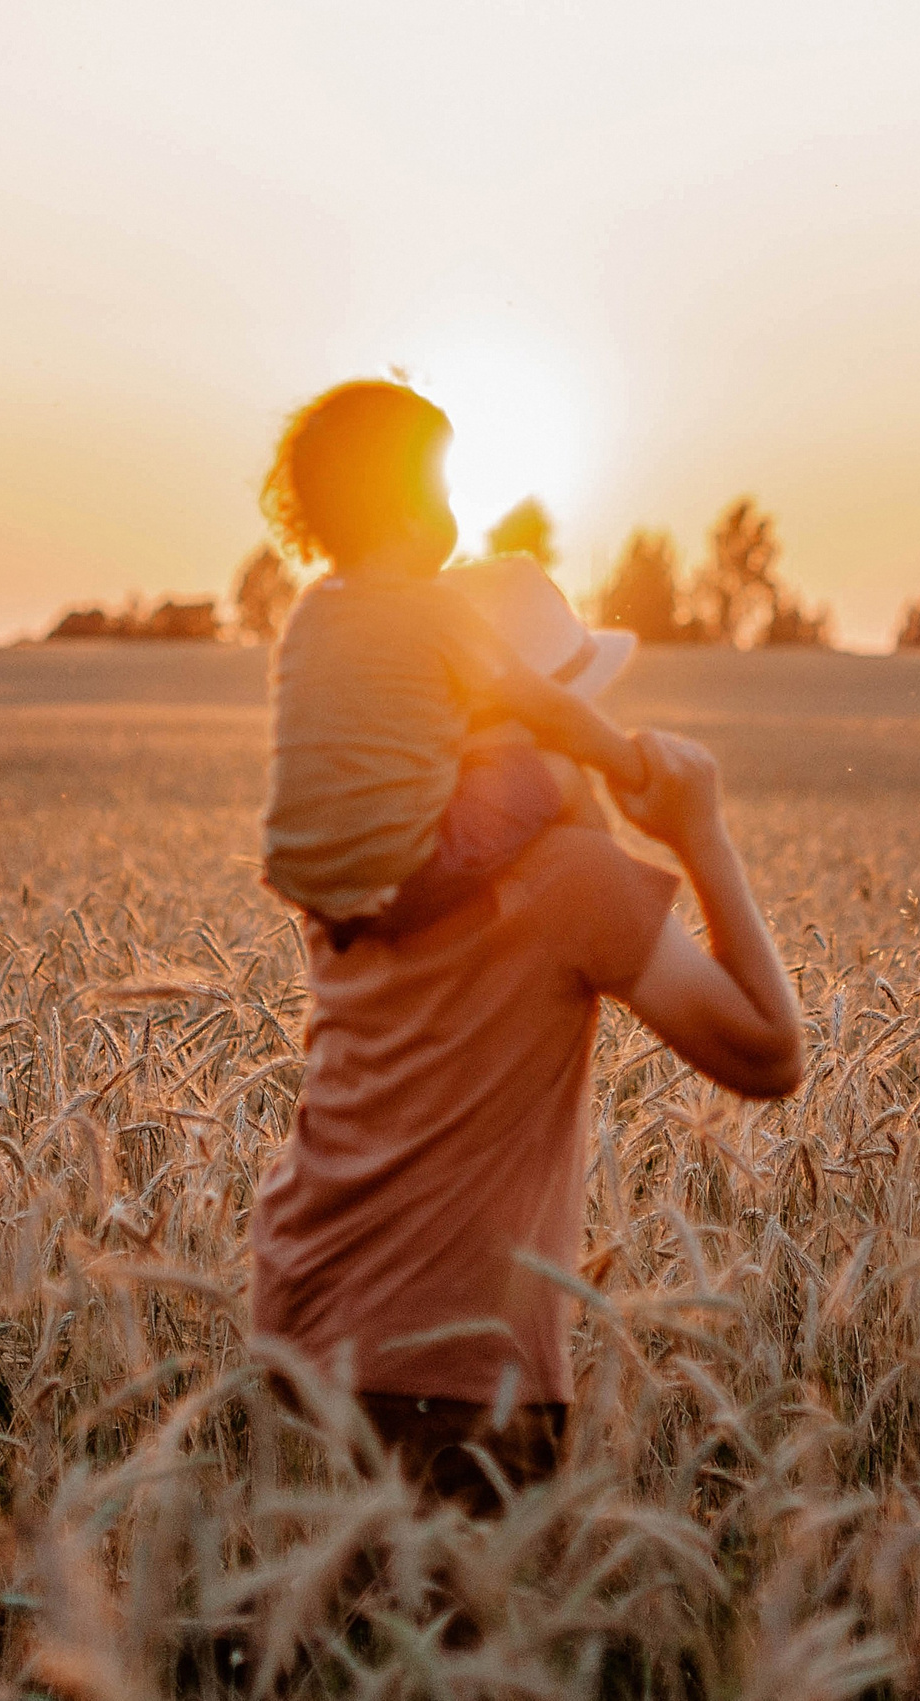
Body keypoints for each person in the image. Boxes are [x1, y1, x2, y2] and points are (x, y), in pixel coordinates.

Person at [250, 718, 804, 1514]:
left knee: (327, 1629)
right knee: (462, 1631)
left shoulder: (355, 867)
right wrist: (701, 834)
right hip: (454, 1363)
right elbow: (769, 1055)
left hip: (299, 1310)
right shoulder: (570, 881)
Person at [259, 378, 651, 948]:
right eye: (442, 491)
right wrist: (631, 764)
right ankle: (628, 934)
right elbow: (545, 708)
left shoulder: (310, 612)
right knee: (561, 778)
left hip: (305, 881)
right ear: (407, 513)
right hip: (404, 877)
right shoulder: (434, 608)